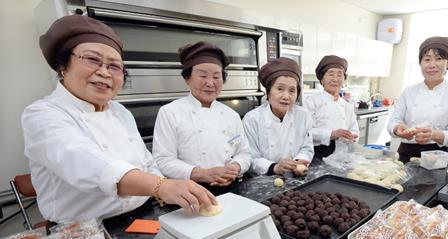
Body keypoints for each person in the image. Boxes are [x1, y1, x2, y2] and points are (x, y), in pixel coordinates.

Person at [21, 15, 215, 223]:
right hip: (82, 232)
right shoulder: (42, 114)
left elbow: (147, 162)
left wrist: (164, 191)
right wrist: (162, 186)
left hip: (144, 216)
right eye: (92, 59)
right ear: (63, 65)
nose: (104, 72)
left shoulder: (120, 111)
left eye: (114, 67)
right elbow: (87, 162)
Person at [152, 41, 252, 186]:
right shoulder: (170, 112)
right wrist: (204, 174)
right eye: (203, 76)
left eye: (217, 77)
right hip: (189, 190)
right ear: (187, 78)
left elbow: (244, 153)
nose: (210, 83)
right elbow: (163, 160)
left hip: (230, 186)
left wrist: (235, 168)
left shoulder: (231, 115)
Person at [388, 36, 448, 160]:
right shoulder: (409, 91)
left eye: (439, 59)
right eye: (427, 59)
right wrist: (397, 129)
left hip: (438, 155)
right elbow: (393, 121)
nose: (432, 65)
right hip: (405, 152)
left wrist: (434, 135)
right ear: (421, 63)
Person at [243, 57, 314, 176]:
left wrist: (297, 162)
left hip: (294, 177)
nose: (286, 96)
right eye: (280, 89)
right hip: (262, 181)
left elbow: (307, 147)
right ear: (268, 91)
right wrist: (275, 167)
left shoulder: (303, 115)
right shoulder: (252, 119)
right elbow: (250, 157)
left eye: (292, 91)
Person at [304, 55, 359, 158]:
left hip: (343, 155)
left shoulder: (347, 106)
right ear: (322, 79)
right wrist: (331, 134)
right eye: (331, 74)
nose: (335, 79)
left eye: (339, 75)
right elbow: (306, 132)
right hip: (318, 154)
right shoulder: (312, 102)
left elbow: (354, 129)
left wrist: (352, 136)